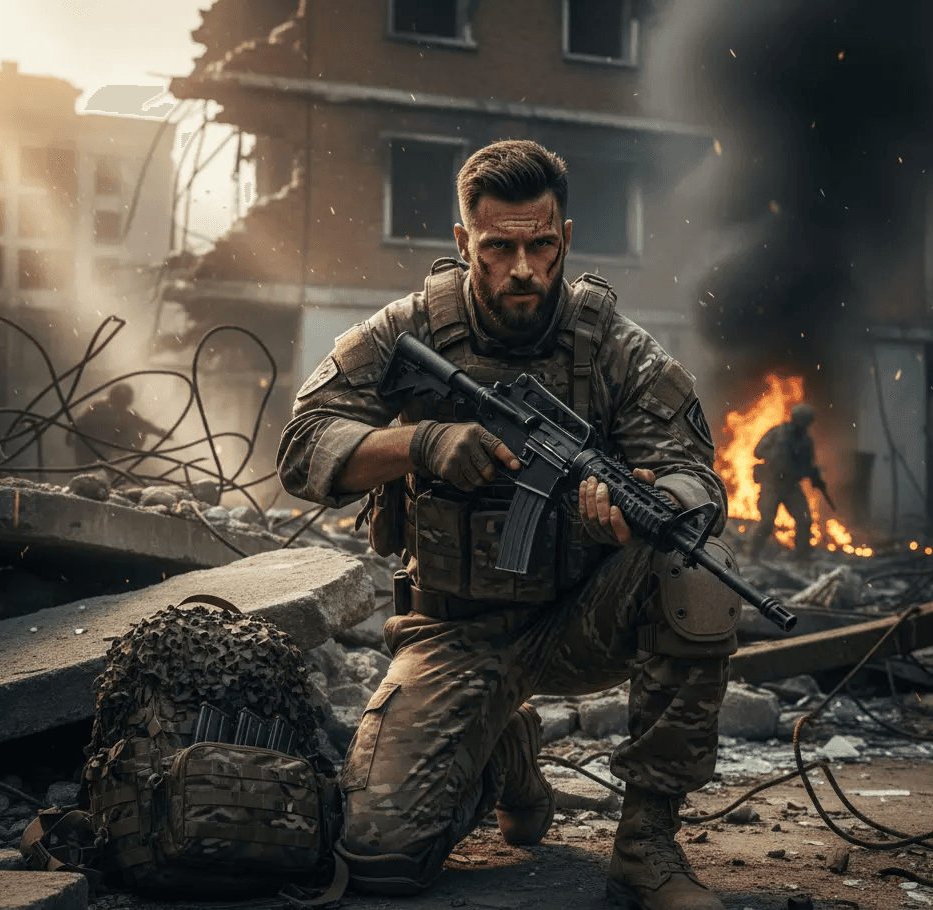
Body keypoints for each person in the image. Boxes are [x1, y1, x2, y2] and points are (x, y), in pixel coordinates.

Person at [278, 140, 738, 910]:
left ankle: (646, 841)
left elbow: (698, 477)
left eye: (540, 245)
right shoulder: (407, 330)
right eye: (499, 248)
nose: (522, 268)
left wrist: (648, 499)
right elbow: (301, 448)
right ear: (464, 244)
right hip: (453, 631)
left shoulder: (614, 346)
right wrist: (418, 443)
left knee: (697, 567)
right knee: (383, 862)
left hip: (577, 620)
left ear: (564, 238)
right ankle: (505, 748)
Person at [748, 403, 825, 562]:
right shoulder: (777, 433)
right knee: (767, 522)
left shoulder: (806, 442)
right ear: (795, 419)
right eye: (802, 420)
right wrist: (775, 456)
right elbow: (757, 451)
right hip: (772, 484)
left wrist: (814, 477)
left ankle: (802, 557)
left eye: (807, 421)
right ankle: (752, 554)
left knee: (804, 520)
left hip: (790, 487)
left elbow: (808, 466)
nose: (804, 424)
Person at [68, 382, 167, 468]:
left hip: (105, 451)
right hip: (88, 449)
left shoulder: (126, 414)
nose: (122, 405)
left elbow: (144, 424)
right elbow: (78, 422)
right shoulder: (98, 408)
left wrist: (160, 432)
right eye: (121, 401)